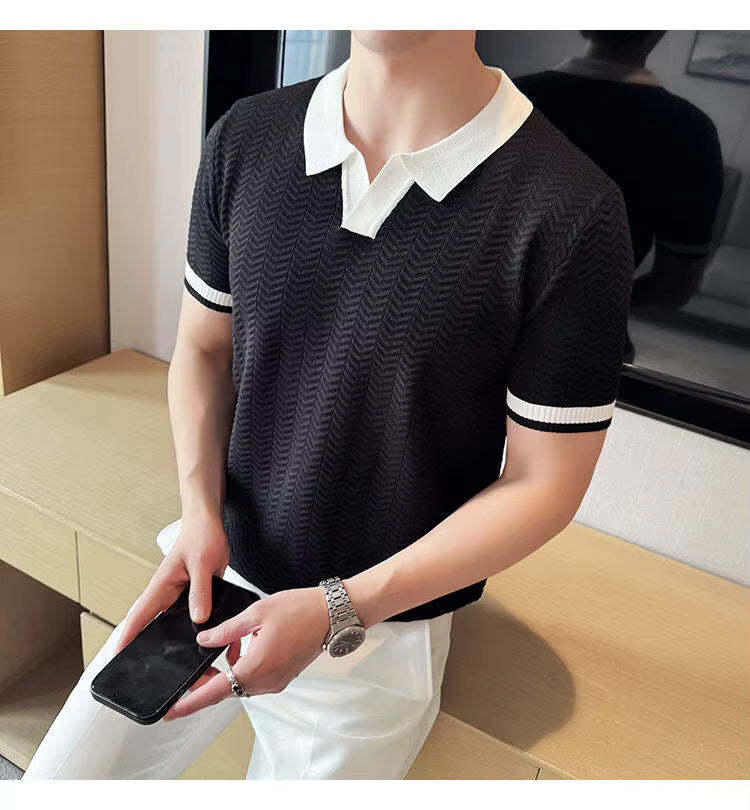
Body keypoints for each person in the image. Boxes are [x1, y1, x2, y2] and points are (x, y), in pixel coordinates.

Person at [23, 29, 634, 780]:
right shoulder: (247, 137)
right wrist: (199, 511)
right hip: (219, 579)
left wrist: (341, 608)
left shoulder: (571, 212)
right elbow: (205, 349)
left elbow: (545, 481)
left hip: (373, 637)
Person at [514, 30, 724, 362]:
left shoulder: (507, 101)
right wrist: (595, 302)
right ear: (659, 29)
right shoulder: (690, 132)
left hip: (473, 337)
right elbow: (675, 287)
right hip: (586, 351)